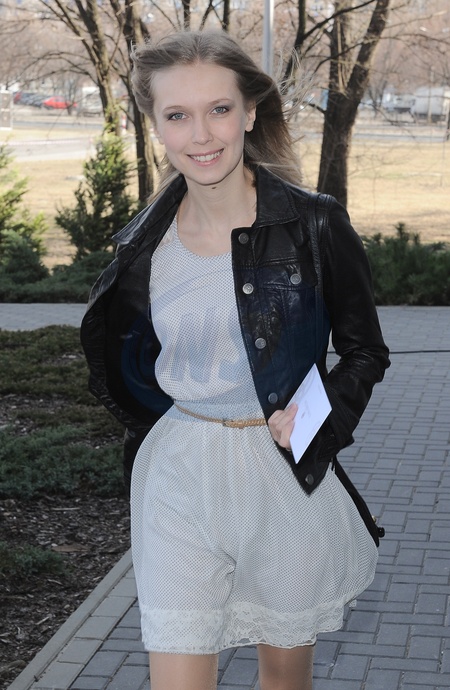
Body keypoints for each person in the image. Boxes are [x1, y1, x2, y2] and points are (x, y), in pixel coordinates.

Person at [80, 30, 390, 690]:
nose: (201, 135)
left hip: (281, 470)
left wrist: (313, 417)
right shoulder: (142, 244)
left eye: (219, 109)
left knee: (282, 679)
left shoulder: (314, 225)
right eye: (177, 115)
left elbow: (365, 350)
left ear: (249, 112)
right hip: (178, 471)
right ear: (156, 124)